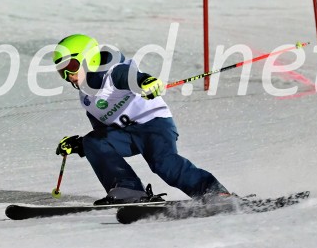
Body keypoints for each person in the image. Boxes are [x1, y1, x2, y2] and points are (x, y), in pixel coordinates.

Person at [53, 34, 231, 206]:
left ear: (88, 58)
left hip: (153, 124)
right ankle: (127, 189)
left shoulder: (114, 72)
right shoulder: (85, 97)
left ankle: (215, 193)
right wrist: (81, 144)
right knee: (93, 141)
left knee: (163, 163)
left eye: (71, 65)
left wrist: (146, 82)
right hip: (126, 135)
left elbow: (132, 77)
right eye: (62, 70)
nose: (68, 74)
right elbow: (103, 134)